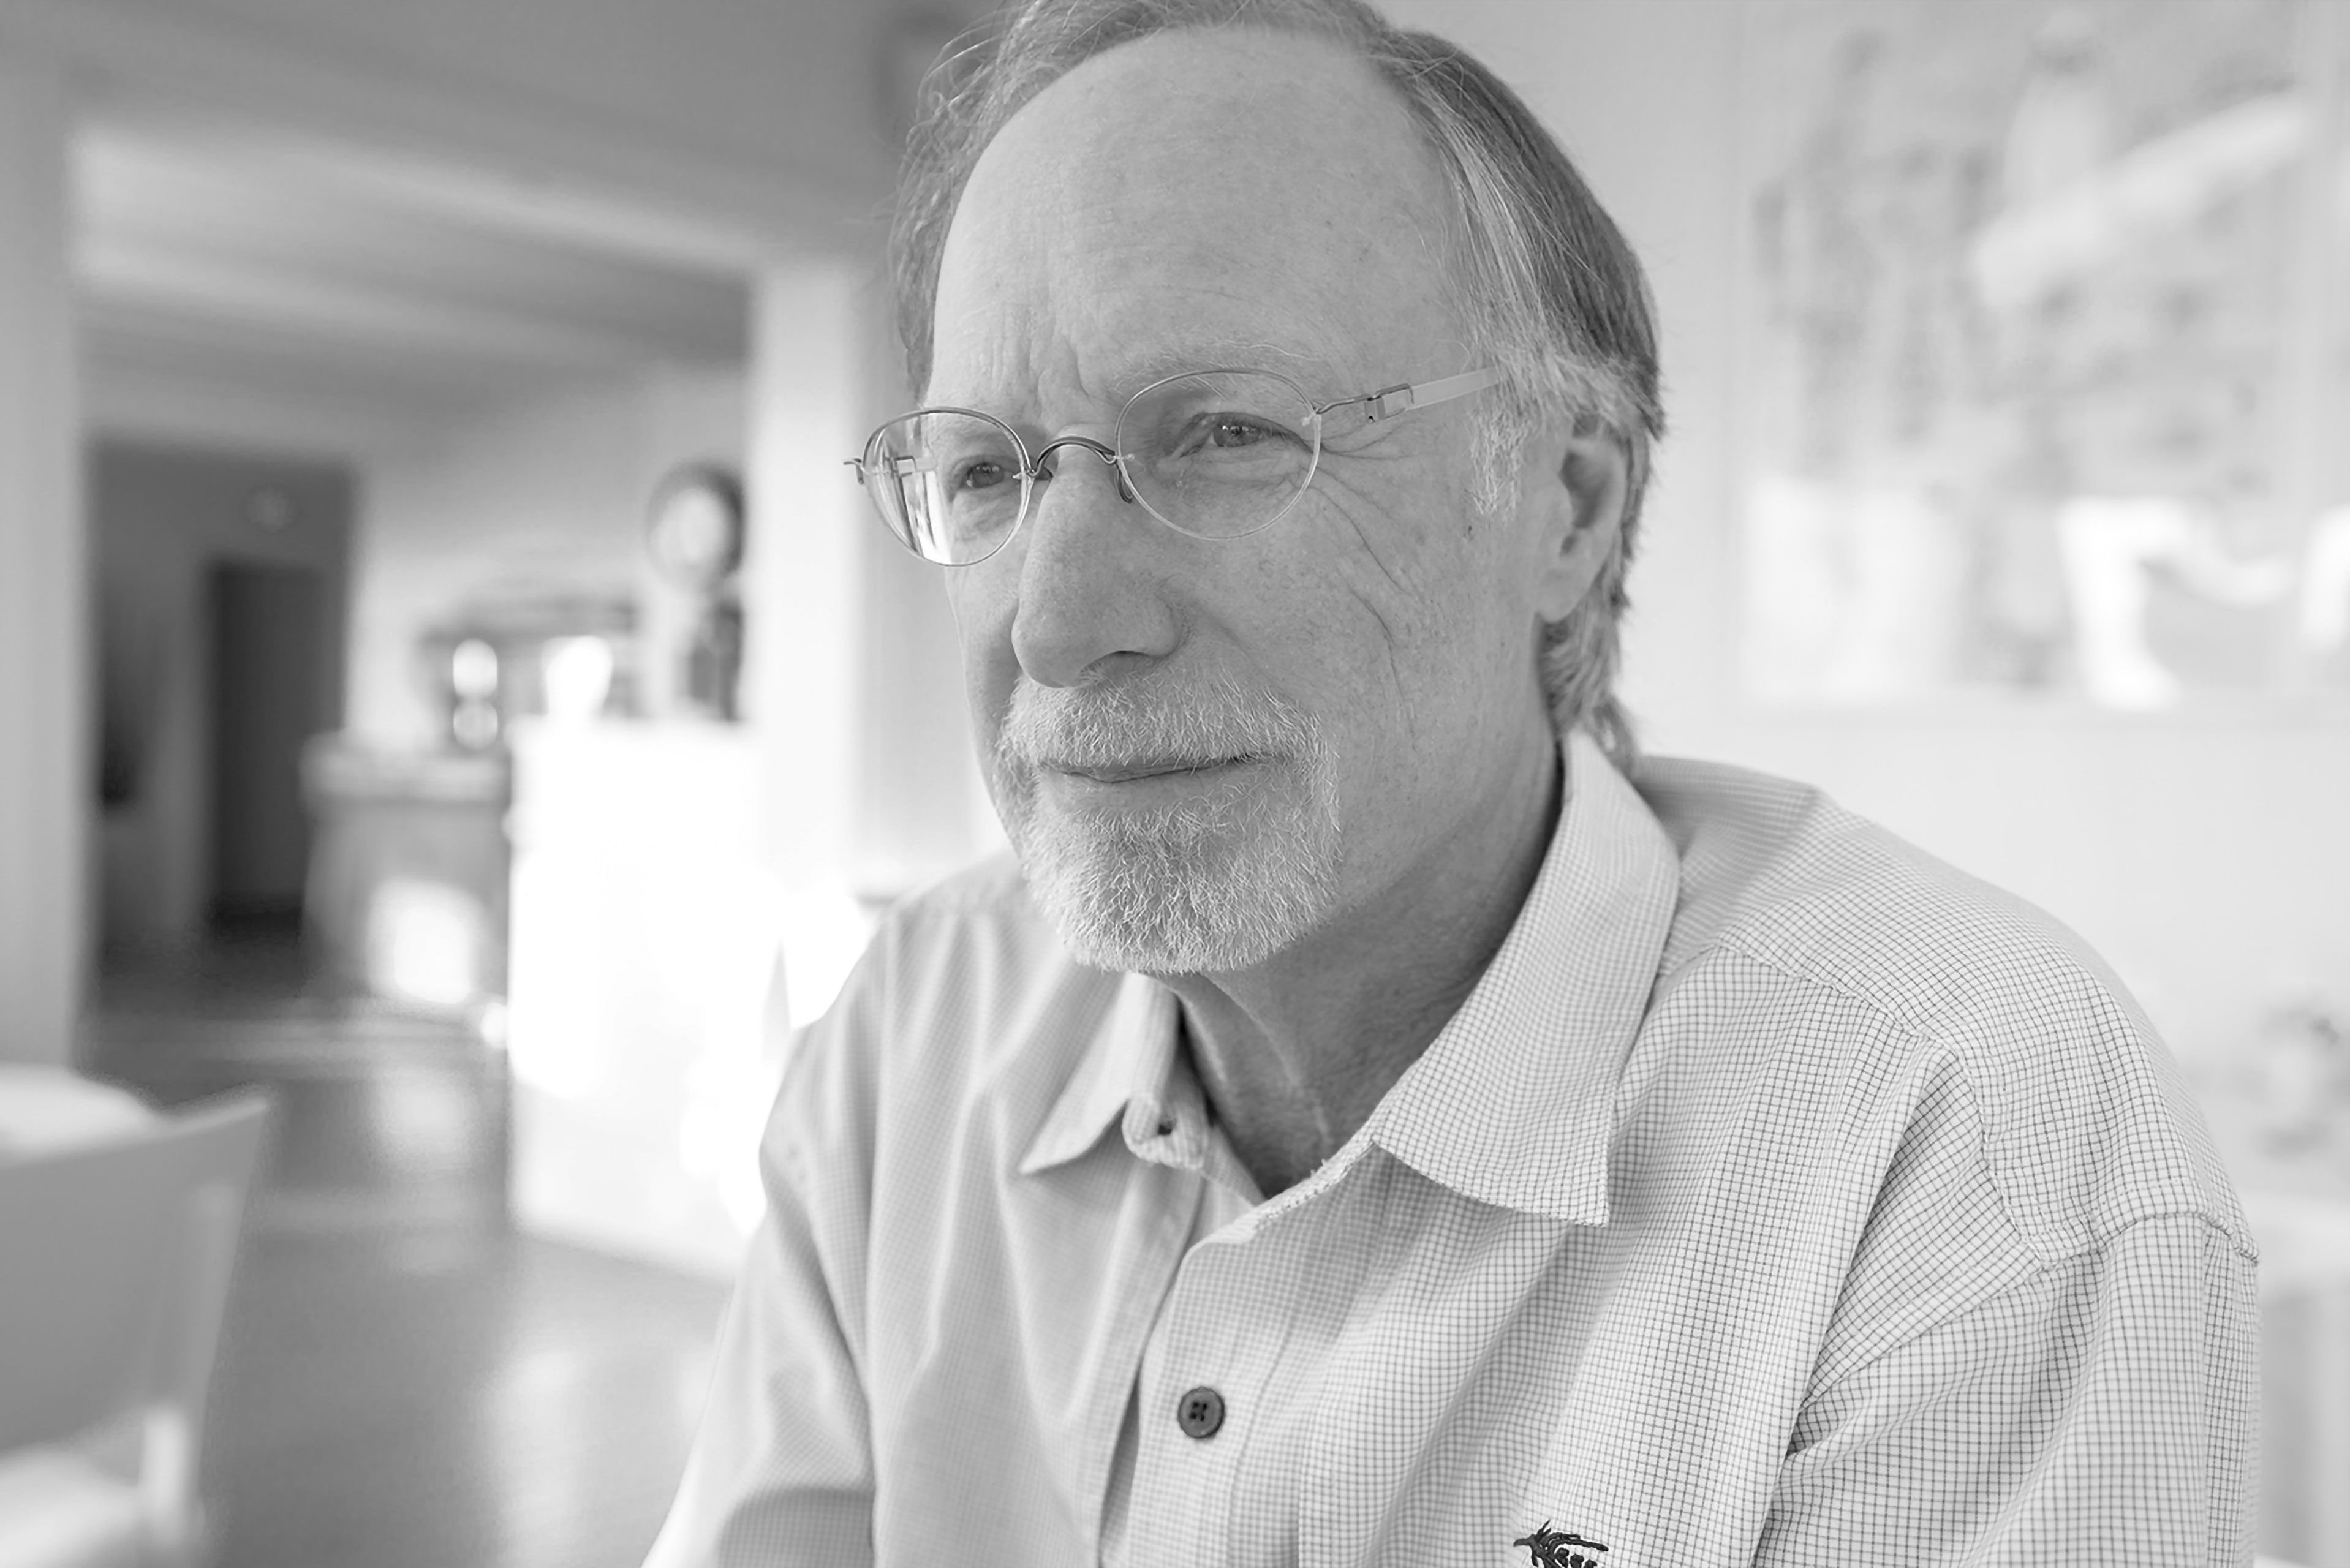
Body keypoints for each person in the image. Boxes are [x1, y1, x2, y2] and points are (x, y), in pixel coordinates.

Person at [646, 1, 2257, 1563]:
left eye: (1217, 433)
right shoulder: (908, 1036)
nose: (1057, 626)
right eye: (984, 473)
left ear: (1563, 506)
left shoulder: (1957, 1140)